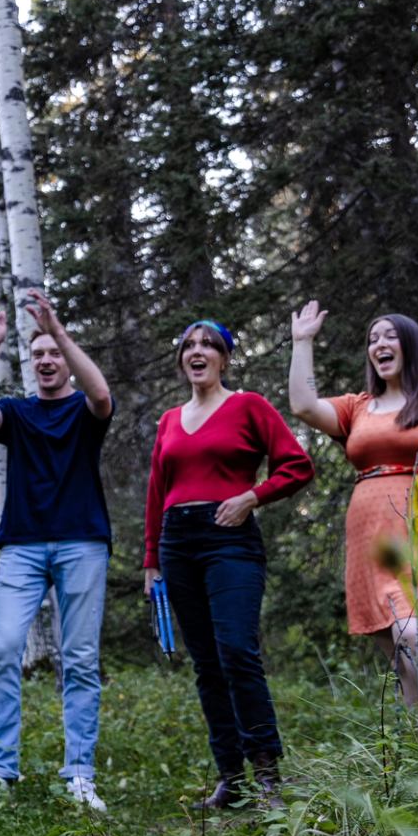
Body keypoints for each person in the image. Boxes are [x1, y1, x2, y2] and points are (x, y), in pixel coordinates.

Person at [143, 320, 313, 809]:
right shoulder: (170, 420)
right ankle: (230, 780)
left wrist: (251, 498)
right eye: (188, 345)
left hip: (229, 539)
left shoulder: (248, 406)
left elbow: (297, 465)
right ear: (182, 360)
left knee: (236, 650)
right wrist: (152, 560)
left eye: (208, 346)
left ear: (224, 358)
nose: (197, 352)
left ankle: (267, 774)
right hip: (177, 543)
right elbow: (157, 492)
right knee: (206, 664)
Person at [287, 278, 418, 712]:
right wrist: (302, 342)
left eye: (391, 336)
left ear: (411, 346)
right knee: (402, 653)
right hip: (374, 536)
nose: (380, 344)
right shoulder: (357, 406)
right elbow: (302, 405)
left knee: (415, 632)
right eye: (373, 339)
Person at [0, 290, 115, 811]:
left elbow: (103, 396)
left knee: (79, 659)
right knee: (3, 649)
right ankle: (0, 770)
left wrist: (60, 332)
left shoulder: (83, 411)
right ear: (30, 366)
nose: (47, 361)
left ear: (65, 360)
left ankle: (79, 775)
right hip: (22, 549)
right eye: (38, 356)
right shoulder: (19, 415)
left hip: (82, 545)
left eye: (54, 354)